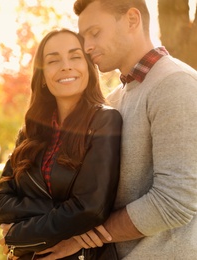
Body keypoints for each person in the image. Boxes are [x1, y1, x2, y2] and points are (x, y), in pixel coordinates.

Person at [37, 1, 197, 259]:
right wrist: (22, 232)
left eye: (95, 33)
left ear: (132, 20)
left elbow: (174, 202)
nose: (87, 46)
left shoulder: (175, 84)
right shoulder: (114, 99)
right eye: (84, 36)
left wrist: (83, 239)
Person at [0, 28, 123, 259]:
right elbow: (1, 203)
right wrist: (65, 213)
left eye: (75, 57)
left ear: (88, 68)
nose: (66, 66)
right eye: (53, 60)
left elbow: (91, 208)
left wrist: (16, 236)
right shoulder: (28, 132)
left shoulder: (104, 120)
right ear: (42, 77)